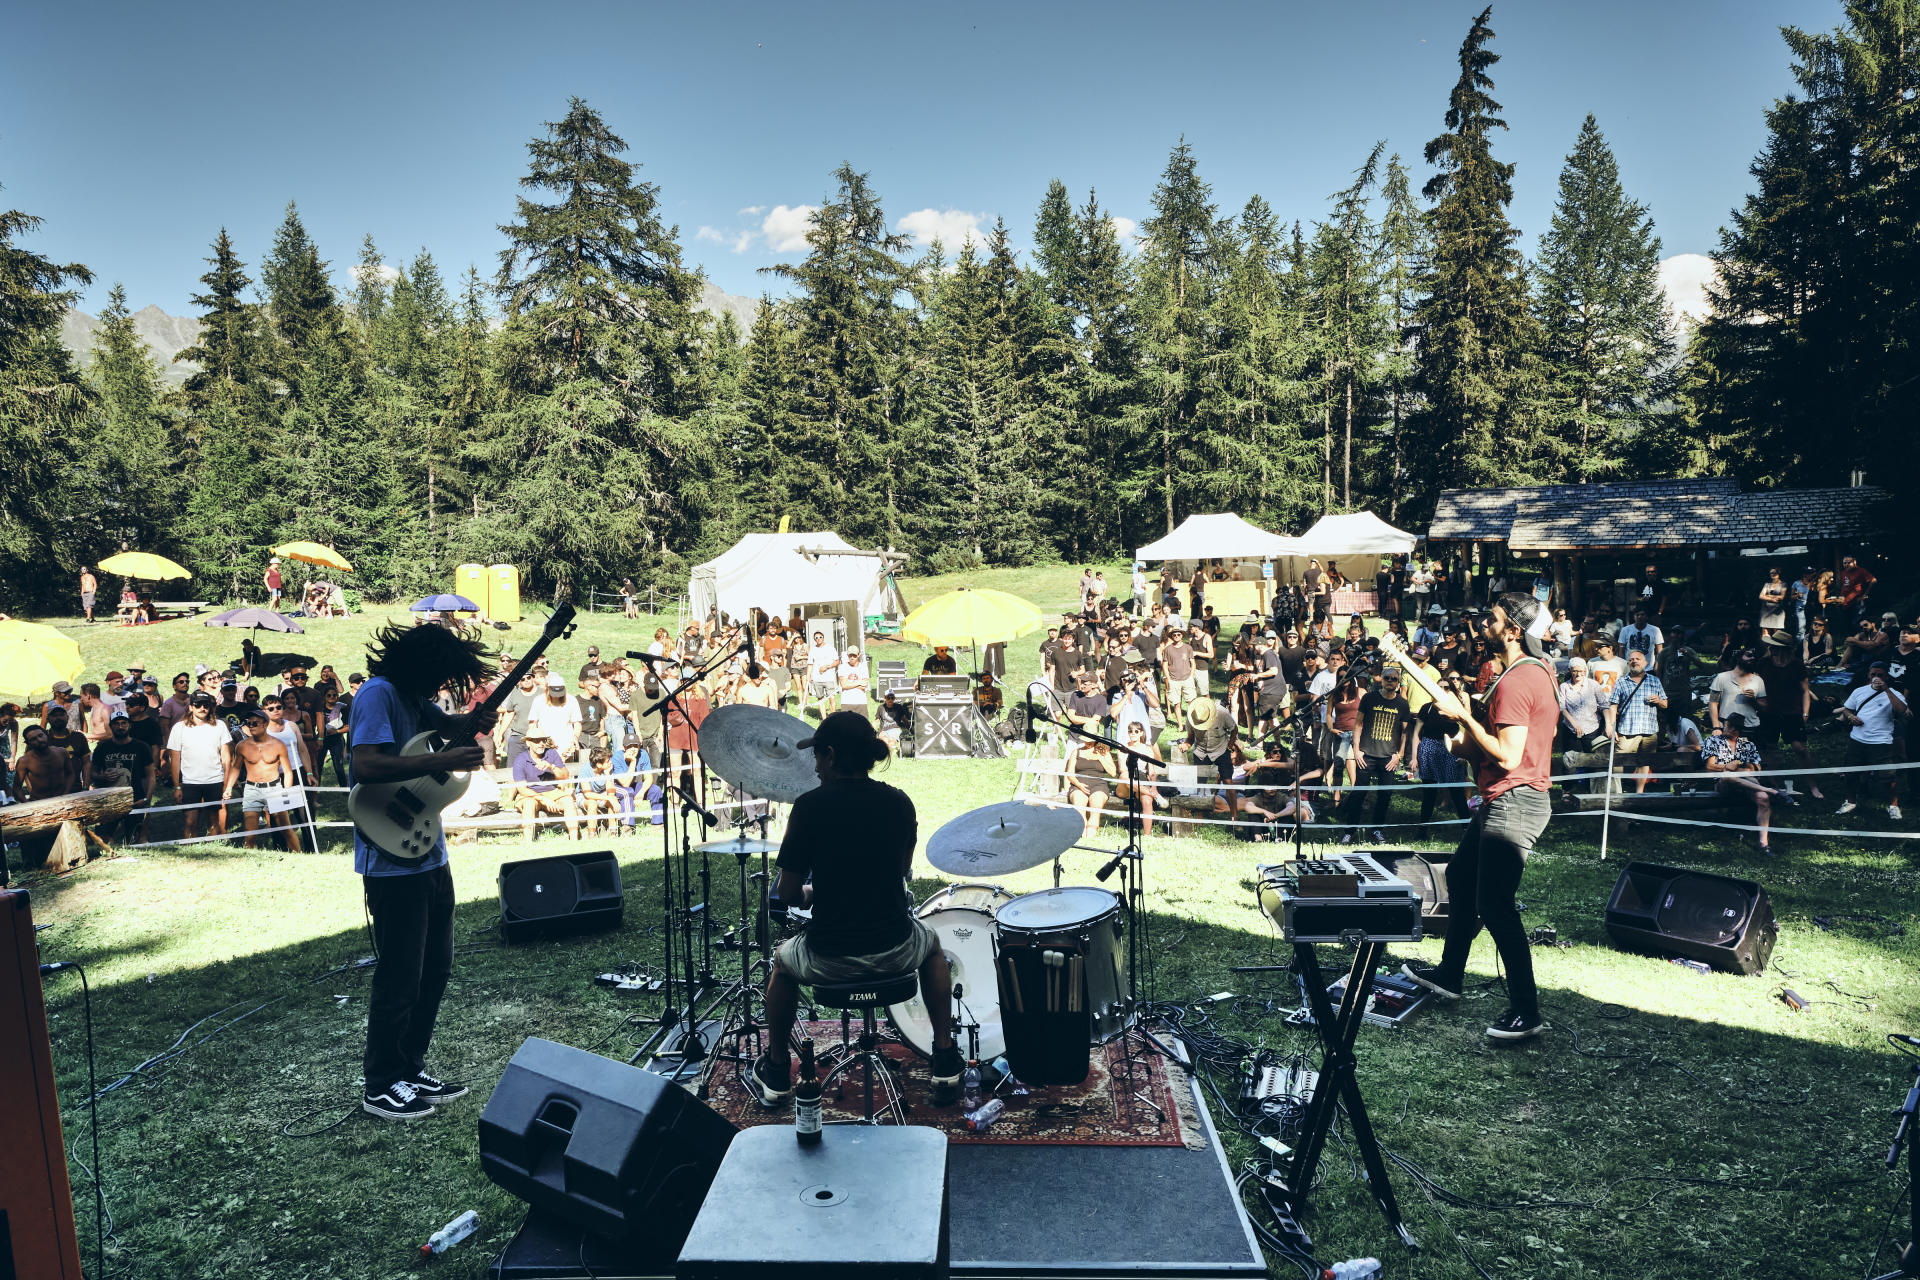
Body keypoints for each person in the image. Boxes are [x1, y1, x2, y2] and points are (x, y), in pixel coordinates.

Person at [750, 711, 961, 1109]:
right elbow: (901, 871)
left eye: (817, 757)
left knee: (782, 962)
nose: (814, 766)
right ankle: (945, 1053)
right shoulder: (899, 802)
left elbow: (789, 892)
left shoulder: (810, 807)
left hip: (831, 955)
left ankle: (777, 1068)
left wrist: (812, 894)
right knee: (932, 948)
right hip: (896, 946)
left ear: (830, 755)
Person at [347, 622, 498, 1121]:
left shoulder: (414, 699)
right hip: (389, 856)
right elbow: (367, 765)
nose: (441, 690)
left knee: (434, 969)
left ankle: (409, 1068)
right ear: (421, 666)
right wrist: (452, 755)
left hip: (428, 849)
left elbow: (453, 734)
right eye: (440, 678)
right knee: (400, 973)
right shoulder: (379, 695)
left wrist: (477, 724)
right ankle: (381, 1082)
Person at [1403, 593, 1559, 1042]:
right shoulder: (1528, 672)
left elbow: (1509, 756)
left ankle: (1526, 1012)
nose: (1481, 626)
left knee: (1495, 905)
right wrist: (1458, 733)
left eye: (1491, 620)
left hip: (1516, 799)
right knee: (1460, 874)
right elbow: (1491, 745)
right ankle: (1450, 975)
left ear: (1512, 630)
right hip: (1505, 796)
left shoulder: (1516, 682)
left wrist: (1463, 719)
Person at [1703, 714, 1793, 856]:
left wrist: (1739, 764)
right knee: (1728, 776)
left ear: (1735, 730)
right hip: (1725, 785)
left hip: (1748, 784)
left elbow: (1757, 768)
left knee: (1763, 798)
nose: (1724, 727)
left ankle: (1764, 844)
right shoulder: (1713, 741)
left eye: (1726, 725)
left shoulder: (1748, 745)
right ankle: (1771, 790)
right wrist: (1728, 767)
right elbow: (1710, 767)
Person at [1340, 667, 1413, 842]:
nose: (1390, 681)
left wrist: (1399, 755)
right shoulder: (1369, 698)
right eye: (1387, 678)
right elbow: (1357, 724)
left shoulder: (1402, 704)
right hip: (1367, 754)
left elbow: (1405, 733)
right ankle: (1350, 831)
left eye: (1394, 679)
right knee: (1358, 794)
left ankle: (1377, 829)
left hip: (1388, 756)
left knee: (1385, 796)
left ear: (1398, 682)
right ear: (1381, 679)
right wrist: (1356, 750)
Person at [1836, 663, 1908, 820]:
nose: (1876, 678)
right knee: (1850, 774)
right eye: (1873, 674)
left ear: (1886, 677)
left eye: (1880, 675)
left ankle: (1894, 806)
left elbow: (1902, 711)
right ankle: (1850, 802)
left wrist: (1886, 689)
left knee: (1888, 777)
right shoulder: (1859, 691)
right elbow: (1847, 709)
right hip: (1857, 739)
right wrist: (1851, 717)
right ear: (1868, 675)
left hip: (1881, 741)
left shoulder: (1894, 694)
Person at [1757, 631, 1821, 800]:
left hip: (1792, 711)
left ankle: (1812, 785)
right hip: (1769, 712)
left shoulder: (1797, 665)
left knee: (1800, 748)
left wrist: (1806, 712)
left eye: (1775, 646)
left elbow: (1805, 691)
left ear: (1784, 649)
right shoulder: (1764, 663)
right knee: (1771, 748)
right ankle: (1774, 785)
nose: (1772, 648)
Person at [230, 712, 297, 851]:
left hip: (274, 787)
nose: (251, 727)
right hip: (252, 789)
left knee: (286, 829)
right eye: (249, 723)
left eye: (255, 723)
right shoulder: (242, 746)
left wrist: (287, 791)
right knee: (250, 833)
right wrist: (228, 787)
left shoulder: (278, 745)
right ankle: (249, 862)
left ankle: (299, 855)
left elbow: (288, 771)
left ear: (265, 724)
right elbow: (235, 767)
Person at [1609, 650, 1668, 794]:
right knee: (1618, 761)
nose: (1634, 661)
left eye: (1638, 659)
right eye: (1631, 659)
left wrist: (1659, 701)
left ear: (1645, 663)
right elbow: (1613, 705)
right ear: (1628, 663)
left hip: (1649, 731)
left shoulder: (1654, 681)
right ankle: (1617, 792)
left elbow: (1665, 704)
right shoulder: (1621, 681)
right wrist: (1611, 727)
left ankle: (1639, 793)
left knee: (1645, 762)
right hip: (1627, 730)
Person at [1065, 737, 1119, 837]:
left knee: (1095, 809)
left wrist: (1100, 758)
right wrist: (1078, 784)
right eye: (1086, 740)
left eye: (1091, 741)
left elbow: (1113, 772)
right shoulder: (1076, 752)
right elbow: (1069, 773)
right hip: (1079, 784)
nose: (1089, 743)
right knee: (1079, 806)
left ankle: (1089, 837)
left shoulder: (1104, 752)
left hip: (1098, 784)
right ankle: (1082, 835)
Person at [1707, 650, 1767, 733]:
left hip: (1750, 727)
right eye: (1749, 655)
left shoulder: (1758, 680)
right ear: (1738, 657)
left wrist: (1753, 700)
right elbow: (1713, 702)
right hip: (1727, 727)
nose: (1752, 658)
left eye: (1754, 656)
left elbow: (1763, 707)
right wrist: (1716, 727)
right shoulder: (1722, 677)